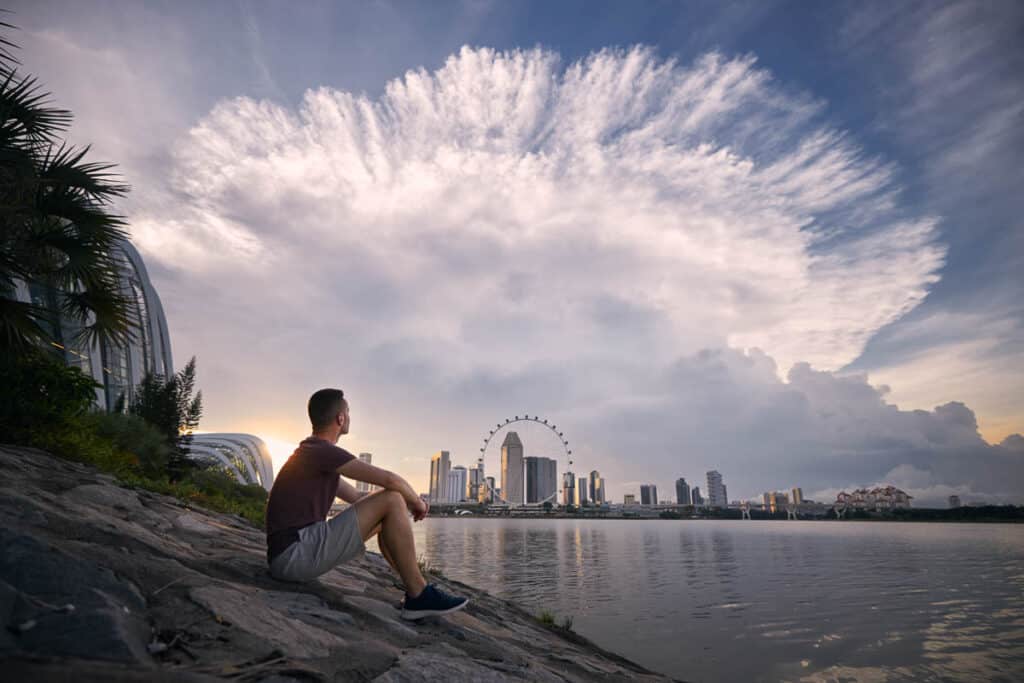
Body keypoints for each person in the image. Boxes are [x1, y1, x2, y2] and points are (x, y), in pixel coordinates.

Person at [265, 388, 468, 620]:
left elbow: (359, 498)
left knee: (388, 511)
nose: (349, 417)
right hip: (295, 555)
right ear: (340, 418)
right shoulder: (321, 451)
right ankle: (420, 594)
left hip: (293, 554)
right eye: (348, 412)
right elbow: (390, 480)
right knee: (392, 497)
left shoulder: (313, 455)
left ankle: (415, 590)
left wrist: (401, 506)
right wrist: (417, 503)